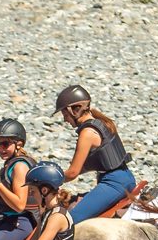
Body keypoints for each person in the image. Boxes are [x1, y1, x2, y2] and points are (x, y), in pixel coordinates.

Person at [54, 84, 136, 223]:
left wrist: (49, 180)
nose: (65, 119)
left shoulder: (87, 133)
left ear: (75, 110)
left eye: (65, 114)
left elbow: (73, 173)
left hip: (113, 183)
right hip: (125, 177)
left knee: (69, 221)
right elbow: (86, 166)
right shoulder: (101, 123)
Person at [0, 117, 36, 240]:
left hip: (19, 223)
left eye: (5, 144)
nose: (0, 149)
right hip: (8, 219)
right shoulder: (11, 164)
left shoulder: (20, 167)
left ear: (19, 144)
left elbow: (19, 205)